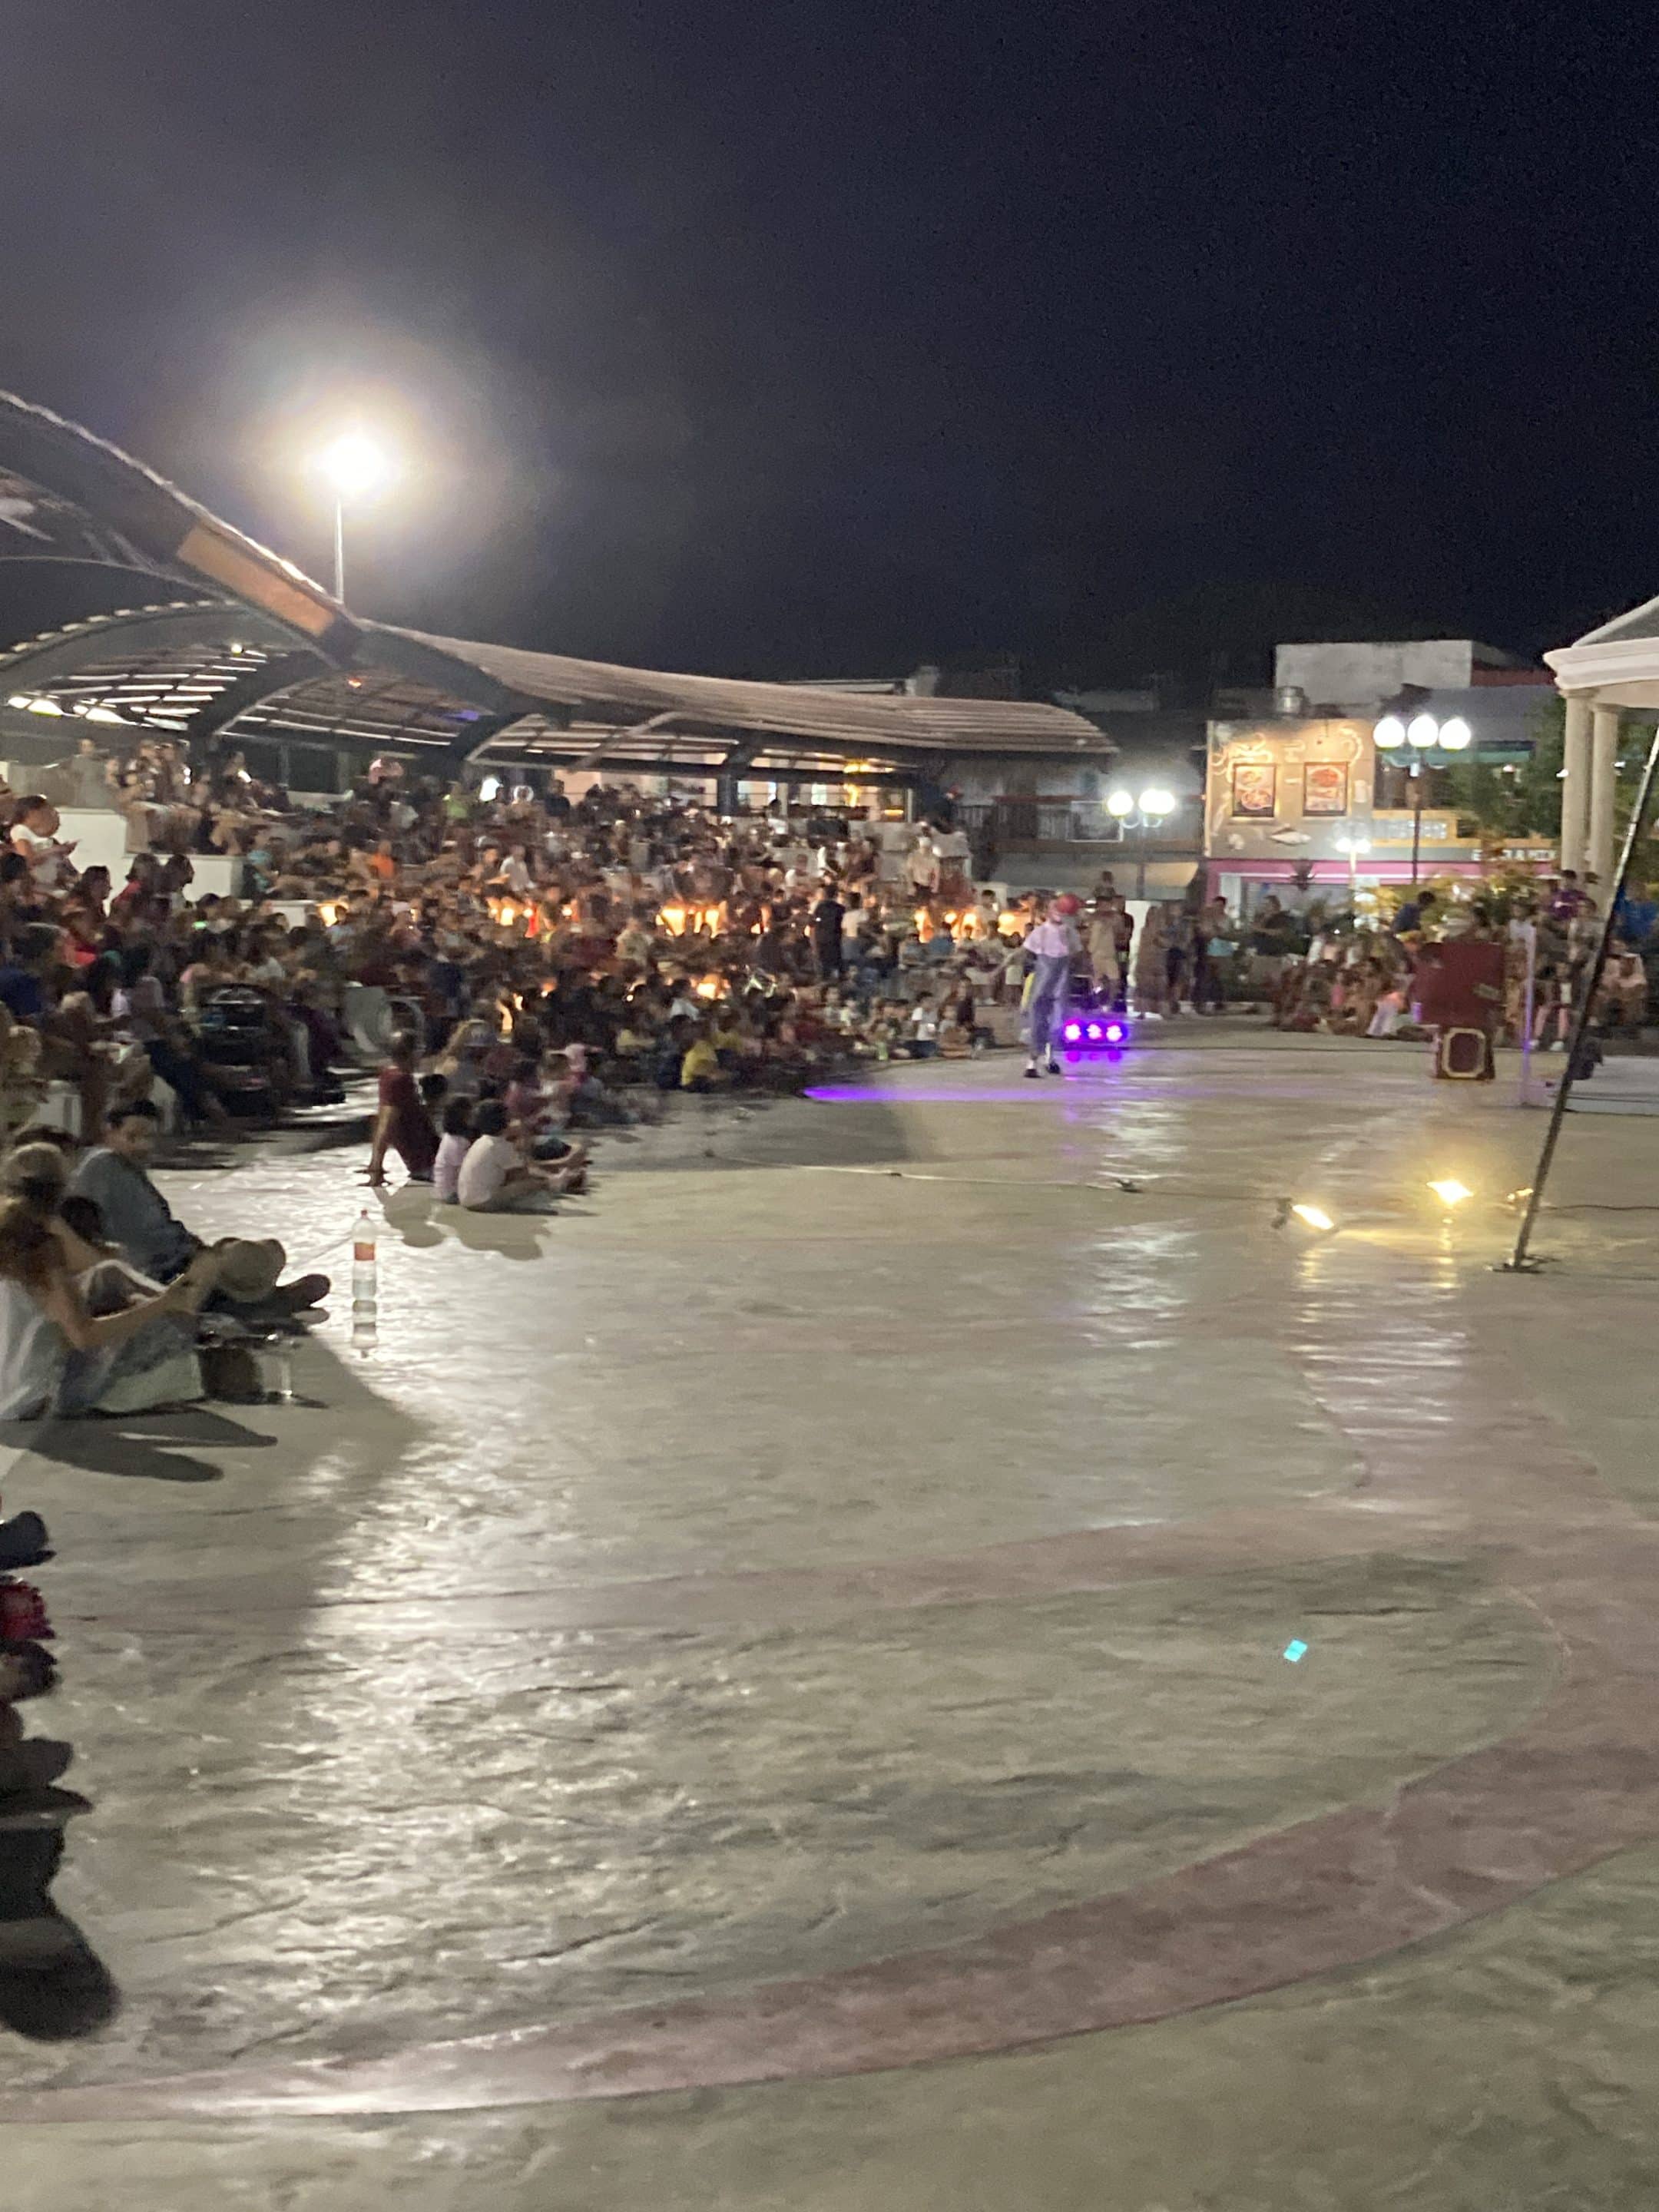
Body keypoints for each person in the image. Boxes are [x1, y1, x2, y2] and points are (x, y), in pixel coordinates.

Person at [0, 1143, 214, 1418]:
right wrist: (162, 1304)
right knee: (157, 1318)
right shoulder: (41, 1247)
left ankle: (189, 1318)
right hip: (34, 1398)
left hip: (8, 1389)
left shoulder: (14, 1237)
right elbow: (84, 1336)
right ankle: (132, 1395)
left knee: (109, 1274)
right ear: (64, 1191)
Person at [69, 1101, 329, 1311]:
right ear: (109, 1133)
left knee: (267, 1249)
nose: (143, 1146)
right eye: (132, 1137)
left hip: (182, 1260)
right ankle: (255, 1299)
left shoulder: (124, 1168)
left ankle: (251, 1294)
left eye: (149, 1137)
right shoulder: (103, 1166)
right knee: (248, 1258)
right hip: (163, 1274)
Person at [455, 1098, 575, 1210]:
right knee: (528, 1185)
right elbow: (522, 1175)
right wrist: (546, 1180)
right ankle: (554, 1182)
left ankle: (553, 1181)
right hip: (482, 1202)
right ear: (505, 1122)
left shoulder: (481, 1142)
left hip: (467, 1199)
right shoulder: (500, 1145)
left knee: (522, 1186)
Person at [366, 1031, 439, 1187]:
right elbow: (386, 1125)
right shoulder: (399, 1080)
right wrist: (376, 1168)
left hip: (427, 1159)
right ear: (412, 1053)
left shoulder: (389, 1076)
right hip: (428, 1163)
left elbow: (381, 1120)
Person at [1022, 895, 1081, 1077]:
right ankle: (1031, 1063)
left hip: (1060, 981)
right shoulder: (1040, 932)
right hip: (1043, 980)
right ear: (1048, 912)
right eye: (1055, 908)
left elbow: (1077, 953)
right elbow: (1025, 953)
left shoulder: (1069, 932)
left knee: (1057, 1020)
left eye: (1061, 909)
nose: (1059, 912)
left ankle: (1050, 1058)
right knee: (1037, 1019)